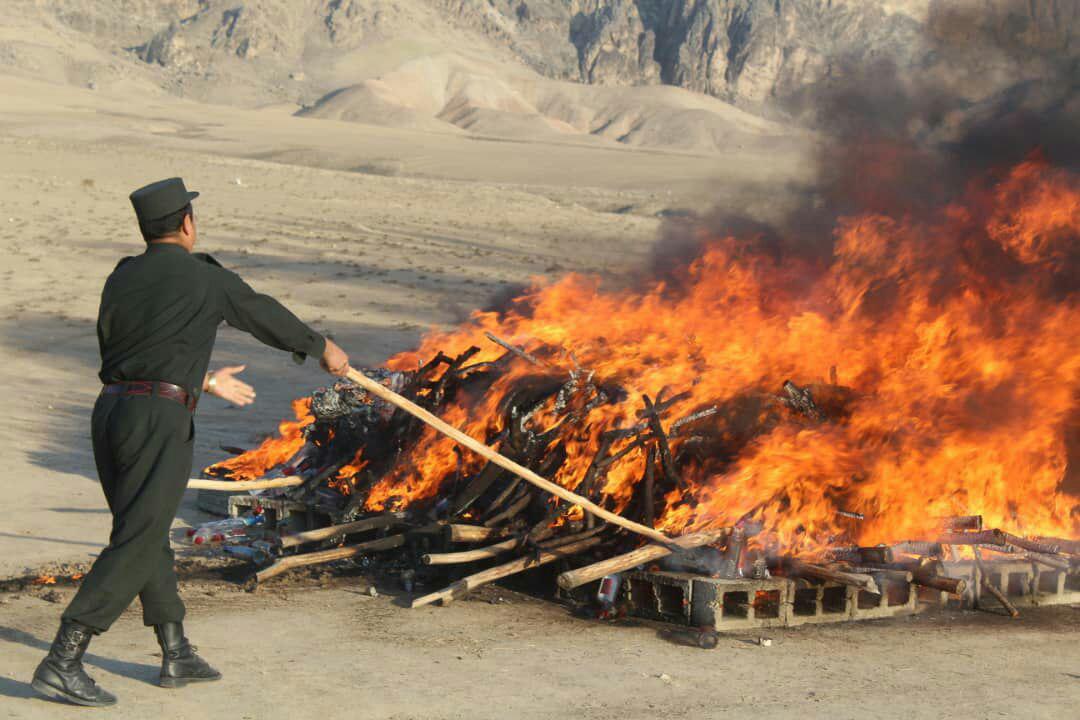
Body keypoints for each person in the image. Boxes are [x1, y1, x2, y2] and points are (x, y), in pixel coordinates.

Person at [31, 178, 350, 707]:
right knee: (137, 538)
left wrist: (199, 378)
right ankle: (64, 659)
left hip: (110, 411)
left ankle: (175, 650)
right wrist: (322, 348)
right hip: (158, 420)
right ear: (187, 224)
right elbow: (262, 312)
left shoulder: (122, 276)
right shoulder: (205, 278)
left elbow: (131, 351)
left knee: (144, 528)